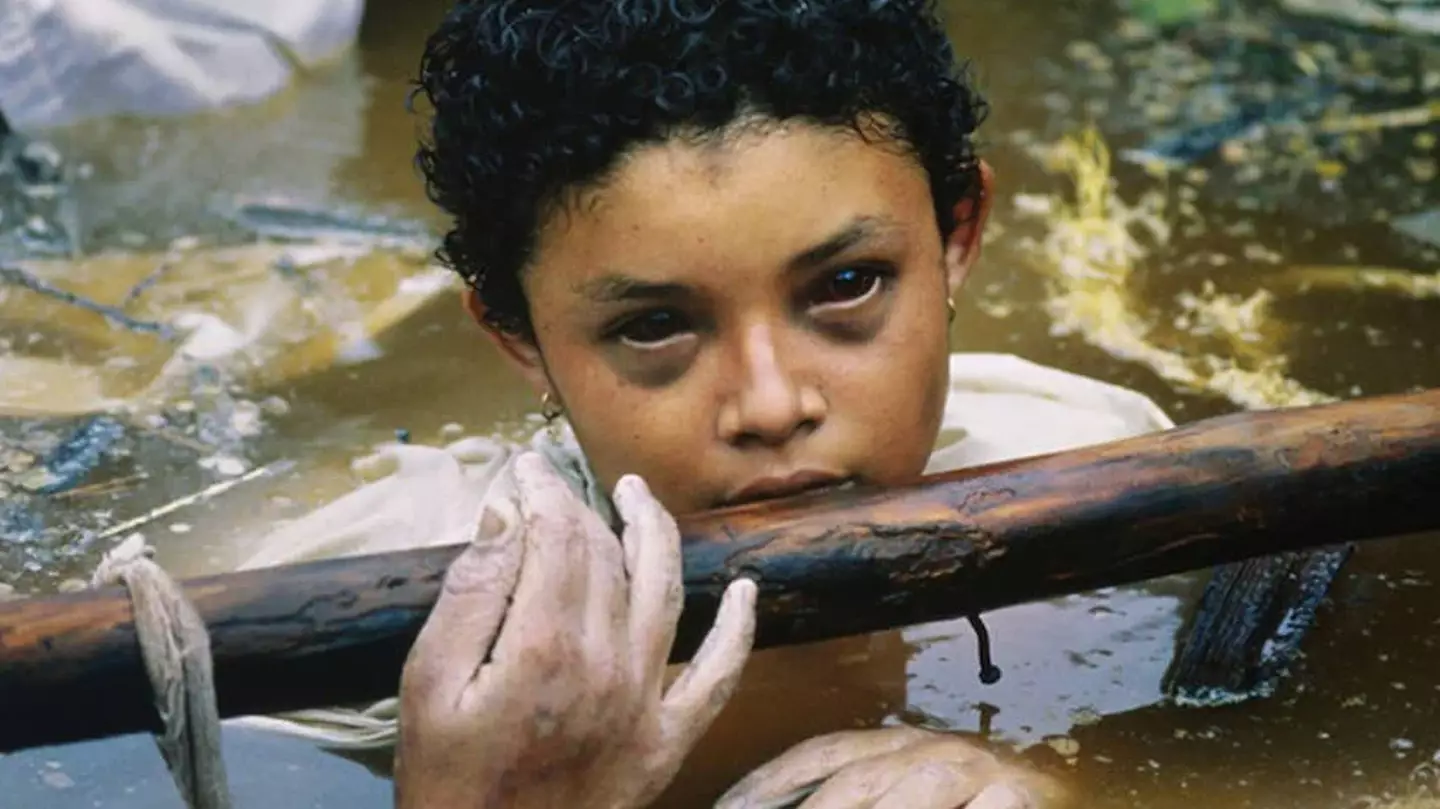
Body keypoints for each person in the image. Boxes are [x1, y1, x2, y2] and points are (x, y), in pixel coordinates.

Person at [223, 0, 1176, 805]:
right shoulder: (357, 664)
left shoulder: (1107, 484)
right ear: (520, 337)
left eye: (848, 282)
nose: (769, 404)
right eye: (652, 327)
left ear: (956, 236)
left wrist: (1050, 781)